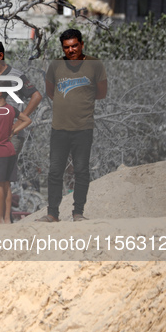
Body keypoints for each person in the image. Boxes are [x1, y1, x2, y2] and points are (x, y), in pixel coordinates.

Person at [37, 28, 107, 222]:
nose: (71, 50)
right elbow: (50, 91)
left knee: (81, 170)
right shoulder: (56, 65)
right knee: (55, 171)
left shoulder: (94, 64)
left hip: (83, 128)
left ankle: (78, 213)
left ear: (82, 45)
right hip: (59, 129)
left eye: (75, 45)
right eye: (67, 47)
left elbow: (102, 93)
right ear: (62, 48)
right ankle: (52, 213)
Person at [0, 40, 42, 221]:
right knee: (0, 178)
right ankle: (4, 219)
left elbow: (36, 95)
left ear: (0, 56)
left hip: (10, 136)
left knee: (2, 178)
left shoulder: (15, 75)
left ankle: (2, 219)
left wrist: (18, 122)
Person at [0, 91, 32, 224]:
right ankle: (6, 218)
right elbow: (28, 120)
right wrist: (14, 130)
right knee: (7, 184)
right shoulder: (11, 109)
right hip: (10, 149)